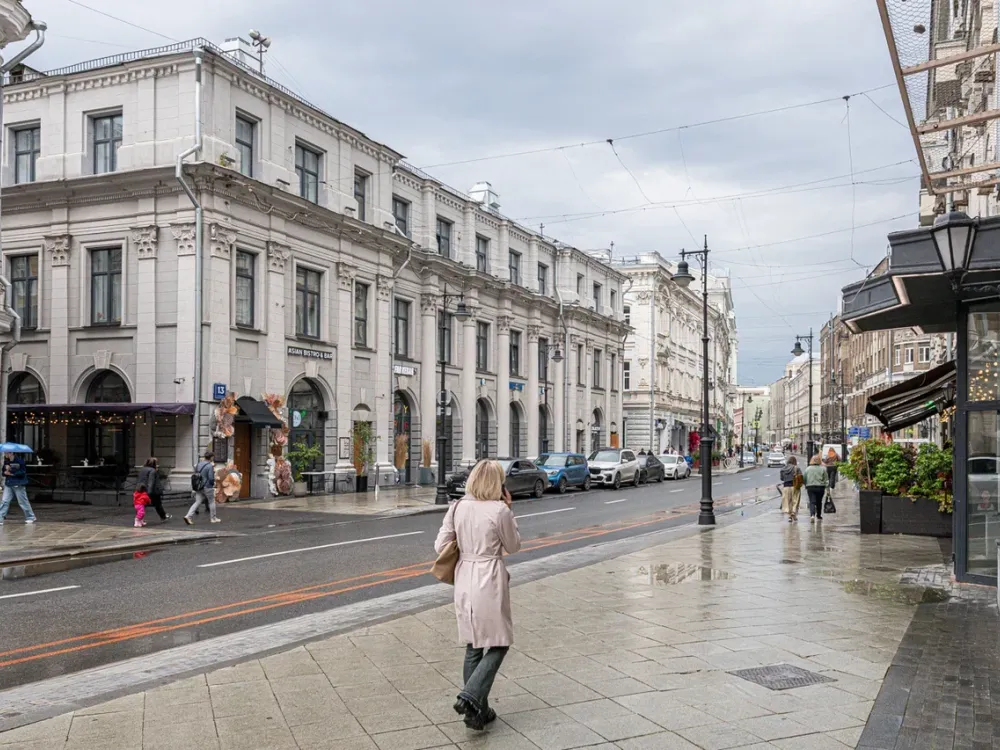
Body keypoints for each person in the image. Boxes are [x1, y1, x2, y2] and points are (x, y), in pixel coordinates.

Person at [434, 460, 521, 731]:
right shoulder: (499, 511)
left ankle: (477, 712)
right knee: (499, 642)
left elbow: (440, 545)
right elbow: (513, 545)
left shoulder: (457, 507)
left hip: (464, 576)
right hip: (489, 577)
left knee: (473, 645)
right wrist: (509, 511)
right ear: (498, 484)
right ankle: (470, 696)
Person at [0, 451, 36, 526]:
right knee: (5, 501)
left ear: (11, 453)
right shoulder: (7, 462)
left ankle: (30, 517)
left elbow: (22, 472)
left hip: (18, 484)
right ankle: (0, 518)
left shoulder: (20, 461)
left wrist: (12, 472)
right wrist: (5, 471)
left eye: (7, 453)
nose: (6, 454)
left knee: (22, 501)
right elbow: (3, 472)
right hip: (9, 483)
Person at [184, 452, 219, 524]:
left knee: (197, 502)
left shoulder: (198, 464)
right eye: (213, 457)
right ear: (211, 457)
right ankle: (213, 518)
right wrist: (213, 484)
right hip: (207, 486)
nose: (213, 458)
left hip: (199, 486)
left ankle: (188, 516)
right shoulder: (209, 466)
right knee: (211, 501)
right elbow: (211, 478)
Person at [137, 457, 171, 522]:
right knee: (158, 504)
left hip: (142, 489)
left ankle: (139, 518)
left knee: (142, 505)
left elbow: (140, 480)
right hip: (153, 491)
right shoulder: (152, 471)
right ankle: (163, 517)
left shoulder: (142, 470)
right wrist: (149, 492)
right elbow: (151, 482)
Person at [804, 454, 830, 522]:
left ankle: (812, 515)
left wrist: (806, 485)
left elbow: (804, 478)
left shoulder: (808, 469)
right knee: (819, 502)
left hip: (810, 487)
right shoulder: (823, 469)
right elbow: (826, 480)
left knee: (812, 501)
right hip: (820, 487)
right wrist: (827, 489)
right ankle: (818, 515)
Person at [779, 456, 802, 523]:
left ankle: (790, 516)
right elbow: (801, 477)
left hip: (786, 487)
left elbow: (782, 478)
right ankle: (793, 512)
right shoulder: (796, 468)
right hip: (795, 486)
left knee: (788, 501)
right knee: (795, 500)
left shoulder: (782, 469)